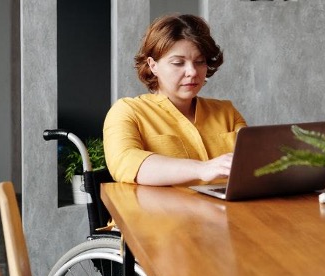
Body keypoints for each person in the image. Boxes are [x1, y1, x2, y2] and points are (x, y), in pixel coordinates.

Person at [103, 14, 247, 186]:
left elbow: (255, 161)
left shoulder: (226, 112)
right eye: (178, 63)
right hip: (159, 212)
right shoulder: (127, 111)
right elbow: (125, 162)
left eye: (200, 62)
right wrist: (202, 169)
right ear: (153, 65)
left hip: (223, 210)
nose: (192, 72)